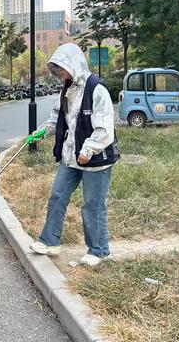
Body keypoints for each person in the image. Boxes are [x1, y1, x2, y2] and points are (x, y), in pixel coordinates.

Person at [29, 43, 120, 266]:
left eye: (61, 68)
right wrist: (42, 132)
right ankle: (49, 241)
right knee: (57, 195)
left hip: (96, 159)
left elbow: (105, 129)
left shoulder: (96, 89)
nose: (59, 74)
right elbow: (57, 117)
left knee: (93, 204)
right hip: (71, 156)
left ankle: (98, 250)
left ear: (74, 64)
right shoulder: (67, 89)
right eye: (57, 70)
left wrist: (88, 149)